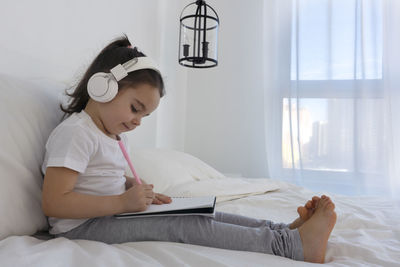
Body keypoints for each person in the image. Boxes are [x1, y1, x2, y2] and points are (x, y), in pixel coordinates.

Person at [41, 35, 337, 263]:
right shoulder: (76, 133)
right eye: (135, 108)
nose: (137, 122)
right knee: (184, 224)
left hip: (112, 214)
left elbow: (100, 178)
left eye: (144, 116)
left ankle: (283, 231)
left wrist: (134, 187)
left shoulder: (112, 134)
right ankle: (291, 247)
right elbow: (55, 203)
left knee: (202, 212)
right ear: (102, 87)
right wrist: (122, 203)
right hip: (83, 228)